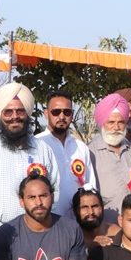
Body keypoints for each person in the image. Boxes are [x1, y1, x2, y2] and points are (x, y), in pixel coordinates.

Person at [0, 82, 62, 238]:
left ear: (27, 113)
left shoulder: (42, 149)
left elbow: (54, 191)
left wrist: (40, 224)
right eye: (8, 112)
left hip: (37, 232)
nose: (15, 117)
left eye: (20, 111)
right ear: (0, 114)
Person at [36, 89, 96, 219]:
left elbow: (91, 185)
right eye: (56, 112)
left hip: (78, 222)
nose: (62, 117)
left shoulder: (81, 147)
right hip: (48, 220)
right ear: (46, 113)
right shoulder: (36, 144)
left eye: (67, 112)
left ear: (72, 114)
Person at [87, 92, 131, 224]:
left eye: (121, 122)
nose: (116, 127)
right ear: (102, 123)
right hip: (105, 225)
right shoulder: (90, 152)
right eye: (111, 122)